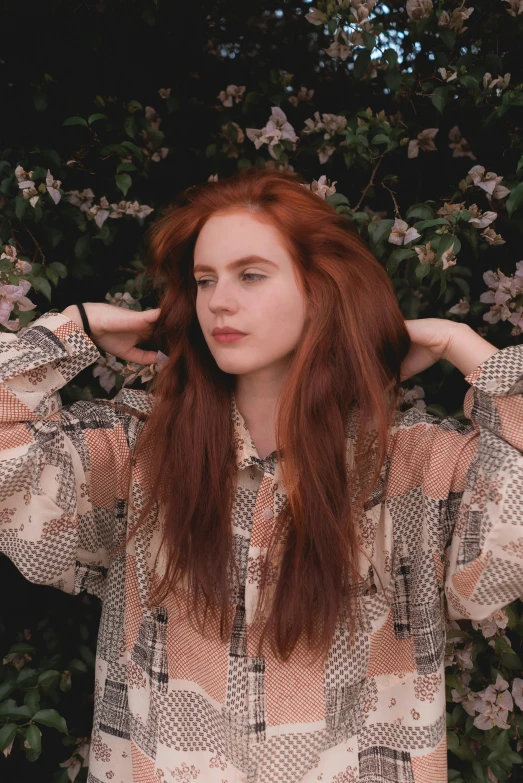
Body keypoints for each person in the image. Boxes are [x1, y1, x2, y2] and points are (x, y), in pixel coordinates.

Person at [0, 167, 522, 783]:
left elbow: (495, 567)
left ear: (321, 289)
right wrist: (73, 330)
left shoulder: (413, 466)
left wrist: (465, 346)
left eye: (251, 274)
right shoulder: (139, 452)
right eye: (204, 280)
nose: (219, 300)